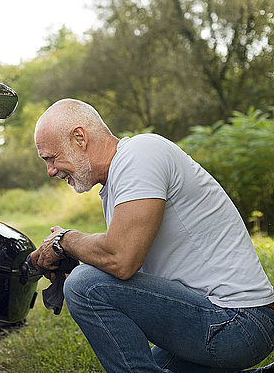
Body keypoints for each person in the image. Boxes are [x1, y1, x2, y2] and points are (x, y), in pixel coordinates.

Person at [30, 98, 274, 373]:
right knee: (156, 364)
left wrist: (65, 242)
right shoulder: (116, 183)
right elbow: (128, 267)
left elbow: (122, 259)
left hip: (236, 322)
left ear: (79, 137)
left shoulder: (140, 154)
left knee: (85, 285)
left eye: (51, 158)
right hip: (218, 319)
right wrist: (75, 256)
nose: (50, 171)